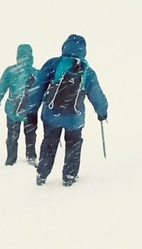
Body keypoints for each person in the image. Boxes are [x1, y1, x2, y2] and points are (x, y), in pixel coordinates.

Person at [25, 34, 108, 186]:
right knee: (73, 145)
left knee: (49, 143)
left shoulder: (53, 64)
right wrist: (102, 112)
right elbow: (96, 93)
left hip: (51, 115)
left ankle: (42, 175)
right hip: (74, 118)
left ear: (64, 47)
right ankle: (69, 177)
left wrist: (32, 110)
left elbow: (37, 88)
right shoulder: (87, 71)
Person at [0, 43, 40, 166]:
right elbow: (44, 92)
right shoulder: (36, 73)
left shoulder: (10, 71)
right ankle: (31, 157)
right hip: (30, 110)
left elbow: (0, 90)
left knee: (12, 136)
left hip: (13, 110)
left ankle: (11, 160)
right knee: (31, 134)